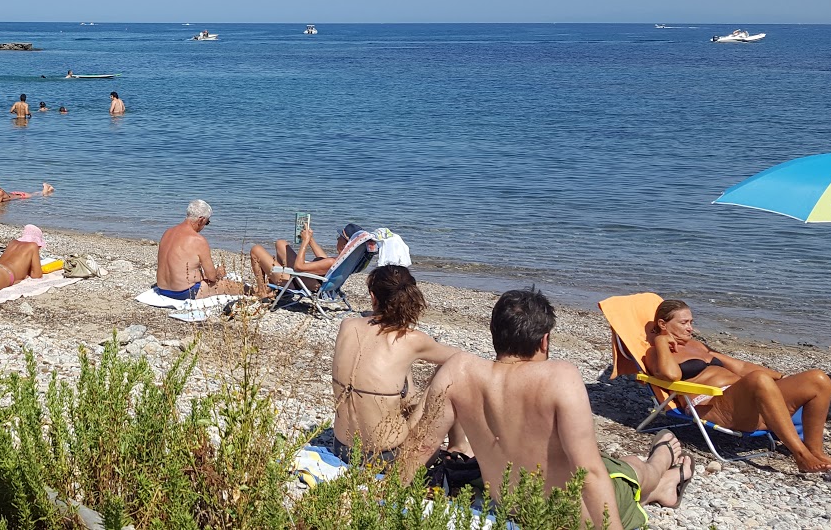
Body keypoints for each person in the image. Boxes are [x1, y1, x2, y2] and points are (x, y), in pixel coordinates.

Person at [401, 290, 690, 530]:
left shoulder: (458, 370)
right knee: (632, 469)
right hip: (572, 520)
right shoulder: (559, 376)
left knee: (617, 465)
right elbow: (587, 470)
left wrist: (381, 494)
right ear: (544, 340)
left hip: (509, 511)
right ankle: (663, 467)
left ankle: (663, 477)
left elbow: (422, 446)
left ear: (495, 334)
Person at [644, 298, 831, 474]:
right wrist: (661, 342)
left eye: (691, 321)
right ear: (663, 324)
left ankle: (816, 451)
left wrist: (784, 378)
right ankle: (800, 455)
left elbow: (741, 366)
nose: (690, 328)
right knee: (758, 380)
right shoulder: (655, 352)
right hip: (712, 406)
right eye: (684, 323)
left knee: (818, 379)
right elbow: (670, 375)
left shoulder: (696, 346)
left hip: (747, 399)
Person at [329, 265, 463, 463]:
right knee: (449, 368)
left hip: (342, 449)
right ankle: (458, 446)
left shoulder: (347, 326)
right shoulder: (412, 340)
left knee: (401, 368)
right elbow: (461, 358)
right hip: (387, 455)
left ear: (373, 297)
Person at [154, 199, 243, 299]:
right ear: (201, 219)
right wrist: (218, 273)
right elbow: (212, 277)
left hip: (162, 289)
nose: (205, 226)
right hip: (184, 292)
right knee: (232, 285)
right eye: (207, 222)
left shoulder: (167, 233)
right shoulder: (198, 240)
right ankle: (259, 293)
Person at [249, 217, 348, 301]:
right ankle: (280, 291)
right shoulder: (342, 260)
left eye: (339, 237)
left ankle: (262, 292)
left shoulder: (332, 262)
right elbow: (323, 259)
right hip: (306, 279)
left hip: (297, 282)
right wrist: (311, 240)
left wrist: (305, 241)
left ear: (344, 244)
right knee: (281, 243)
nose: (337, 239)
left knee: (256, 250)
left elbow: (299, 267)